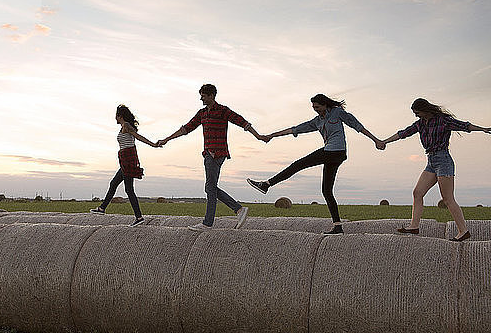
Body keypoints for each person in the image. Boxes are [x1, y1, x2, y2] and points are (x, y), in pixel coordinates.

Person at [247, 94, 385, 234]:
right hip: (331, 154)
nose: (315, 110)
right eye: (313, 108)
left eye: (317, 107)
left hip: (335, 152)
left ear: (325, 104)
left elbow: (357, 126)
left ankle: (267, 184)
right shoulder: (317, 121)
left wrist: (376, 140)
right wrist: (271, 136)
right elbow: (295, 129)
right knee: (326, 191)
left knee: (298, 165)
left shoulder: (337, 113)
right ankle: (338, 226)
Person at [157, 84, 267, 231]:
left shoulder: (223, 111)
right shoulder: (202, 113)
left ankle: (213, 221)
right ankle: (236, 210)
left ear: (211, 96)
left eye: (203, 95)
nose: (201, 98)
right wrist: (166, 139)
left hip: (218, 153)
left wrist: (258, 136)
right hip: (208, 153)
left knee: (210, 188)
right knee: (210, 188)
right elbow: (186, 129)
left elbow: (242, 122)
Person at [382, 98, 490, 241]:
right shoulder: (420, 124)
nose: (416, 115)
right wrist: (384, 142)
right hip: (431, 162)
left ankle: (463, 231)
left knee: (447, 199)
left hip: (443, 160)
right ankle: (414, 226)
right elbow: (403, 133)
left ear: (425, 109)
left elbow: (465, 126)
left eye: (417, 112)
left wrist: (482, 129)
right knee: (417, 192)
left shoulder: (443, 120)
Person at [92, 105, 161, 227]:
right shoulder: (124, 127)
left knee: (129, 190)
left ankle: (139, 217)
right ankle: (102, 208)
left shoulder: (126, 126)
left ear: (120, 116)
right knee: (113, 184)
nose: (115, 118)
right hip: (125, 160)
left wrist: (153, 145)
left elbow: (138, 137)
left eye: (116, 116)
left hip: (128, 161)